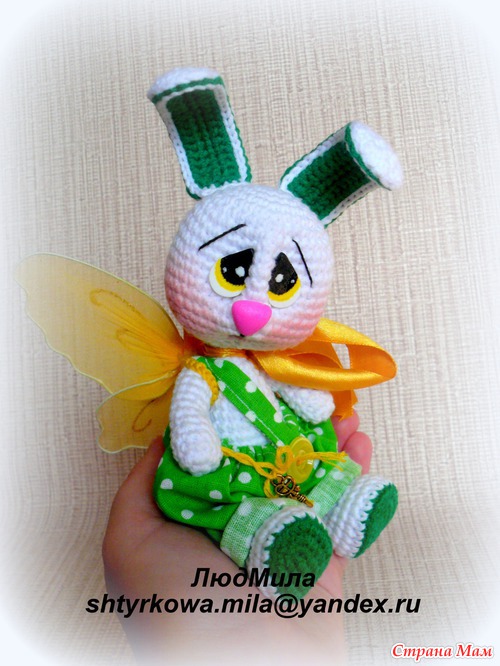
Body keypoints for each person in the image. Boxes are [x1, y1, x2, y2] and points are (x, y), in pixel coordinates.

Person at [103, 413, 372, 666]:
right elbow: (189, 417)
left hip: (285, 452)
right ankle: (276, 540)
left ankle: (338, 503)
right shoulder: (198, 385)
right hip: (230, 465)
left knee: (306, 471)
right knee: (242, 507)